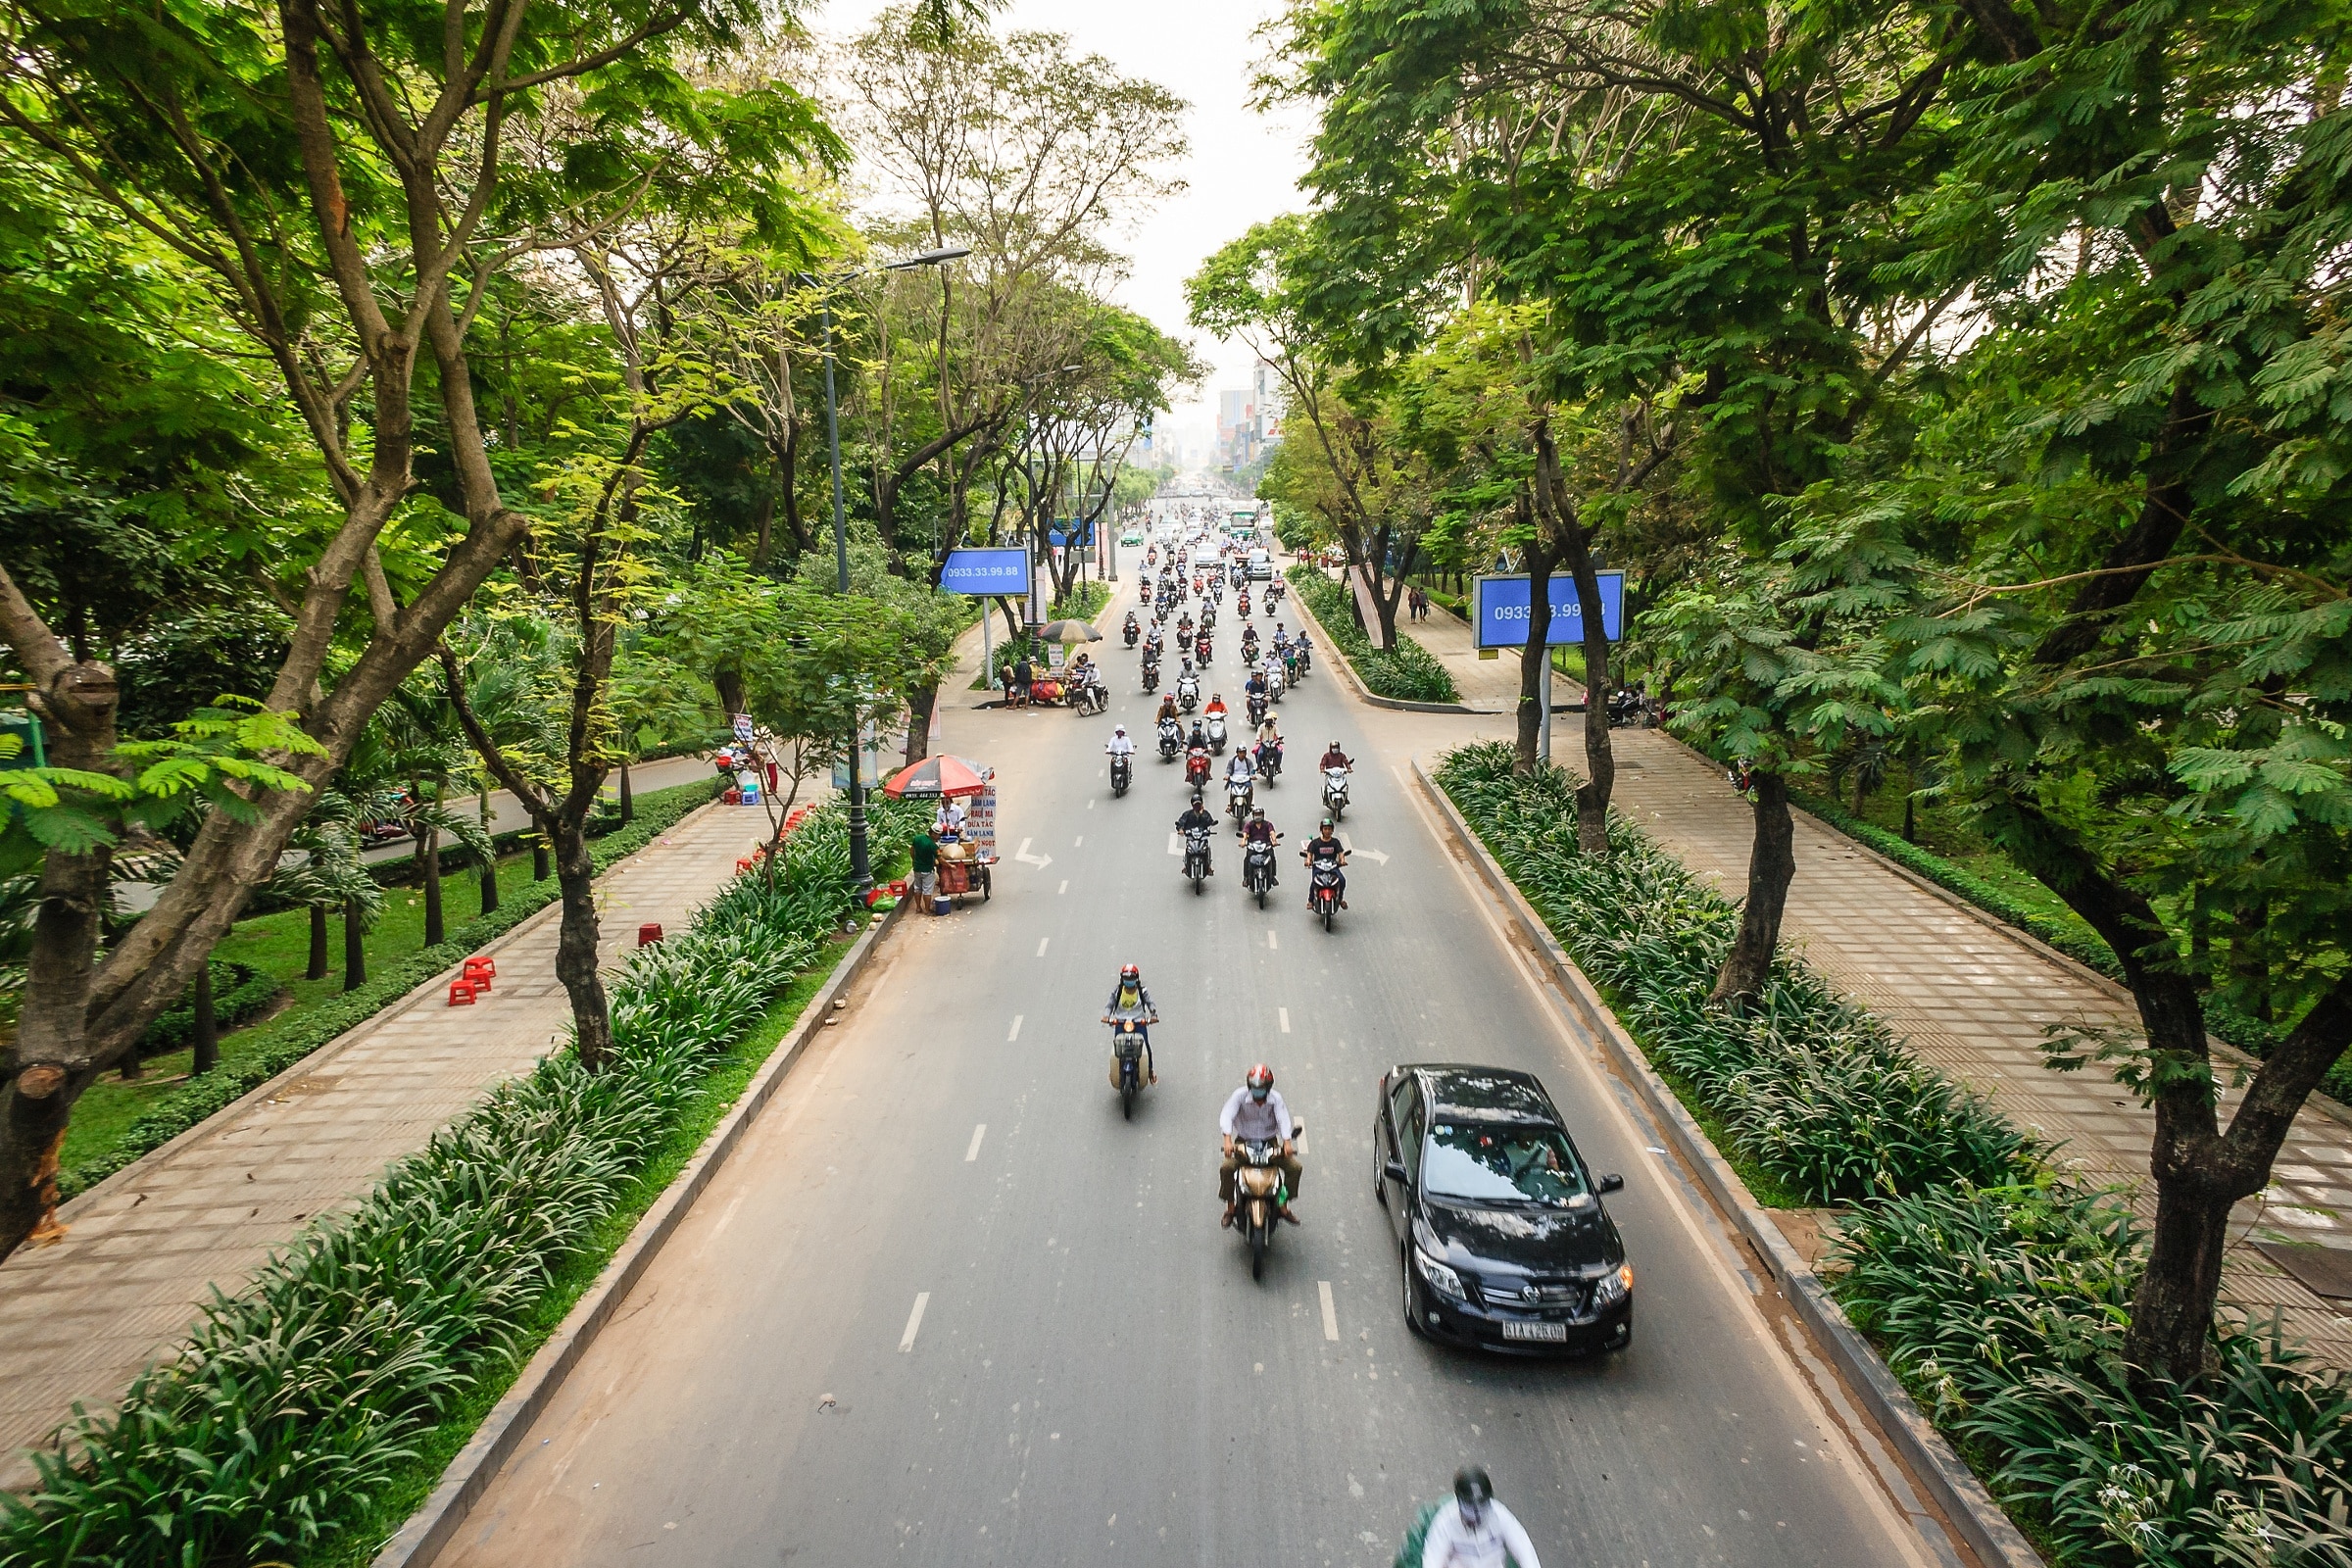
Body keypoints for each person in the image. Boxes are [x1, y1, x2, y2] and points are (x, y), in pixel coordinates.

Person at [1218, 1063, 1300, 1226]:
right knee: (1226, 1168)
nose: (1257, 1092)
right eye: (1254, 1088)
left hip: (1270, 1143)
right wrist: (1227, 1141)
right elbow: (1226, 1115)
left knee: (1294, 1168)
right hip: (1244, 1142)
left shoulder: (1275, 1099)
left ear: (1268, 1087)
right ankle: (1230, 1207)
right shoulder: (1239, 1096)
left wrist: (1287, 1143)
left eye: (1261, 1088)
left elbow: (1283, 1119)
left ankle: (1283, 1205)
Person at [1418, 1468, 1540, 1568]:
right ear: (1458, 1501)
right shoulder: (1445, 1522)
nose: (1476, 1513)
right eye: (1470, 1505)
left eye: (1482, 1504)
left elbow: (1524, 1550)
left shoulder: (1501, 1516)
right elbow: (1433, 1560)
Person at [1102, 961, 1159, 1081]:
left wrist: (1153, 1014)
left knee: (1146, 1047)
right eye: (1126, 978)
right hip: (1121, 1023)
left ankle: (1149, 1071)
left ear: (1136, 979)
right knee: (1117, 1048)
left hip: (1139, 1023)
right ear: (1122, 979)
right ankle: (1114, 1072)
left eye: (1131, 977)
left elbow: (1150, 1003)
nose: (1129, 980)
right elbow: (1110, 1005)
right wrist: (1106, 1016)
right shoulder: (1117, 992)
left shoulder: (1142, 992)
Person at [1301, 815, 1348, 908]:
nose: (1327, 831)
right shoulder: (1315, 843)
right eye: (1325, 829)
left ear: (1332, 830)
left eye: (1329, 829)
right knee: (1314, 883)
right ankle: (1311, 900)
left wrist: (1342, 861)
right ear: (1321, 830)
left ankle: (1340, 899)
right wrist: (1308, 861)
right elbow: (1310, 854)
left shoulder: (1335, 842)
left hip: (1333, 867)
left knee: (1342, 880)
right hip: (1318, 868)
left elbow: (1340, 853)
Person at [1176, 792, 1218, 874]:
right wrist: (1181, 829)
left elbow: (1210, 822)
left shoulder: (1206, 814)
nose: (1197, 806)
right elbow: (1181, 822)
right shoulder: (1187, 814)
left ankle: (1208, 867)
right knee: (1188, 850)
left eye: (1199, 804)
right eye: (1195, 804)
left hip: (1202, 837)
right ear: (1192, 805)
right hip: (1191, 837)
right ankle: (1186, 866)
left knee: (1206, 849)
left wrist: (1207, 821)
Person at [909, 825, 940, 908]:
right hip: (927, 870)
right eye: (938, 835)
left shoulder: (917, 838)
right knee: (927, 891)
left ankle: (918, 908)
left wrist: (914, 860)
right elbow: (940, 859)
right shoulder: (932, 845)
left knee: (917, 888)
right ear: (933, 833)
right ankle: (927, 909)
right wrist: (950, 866)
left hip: (917, 869)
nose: (939, 837)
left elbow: (911, 850)